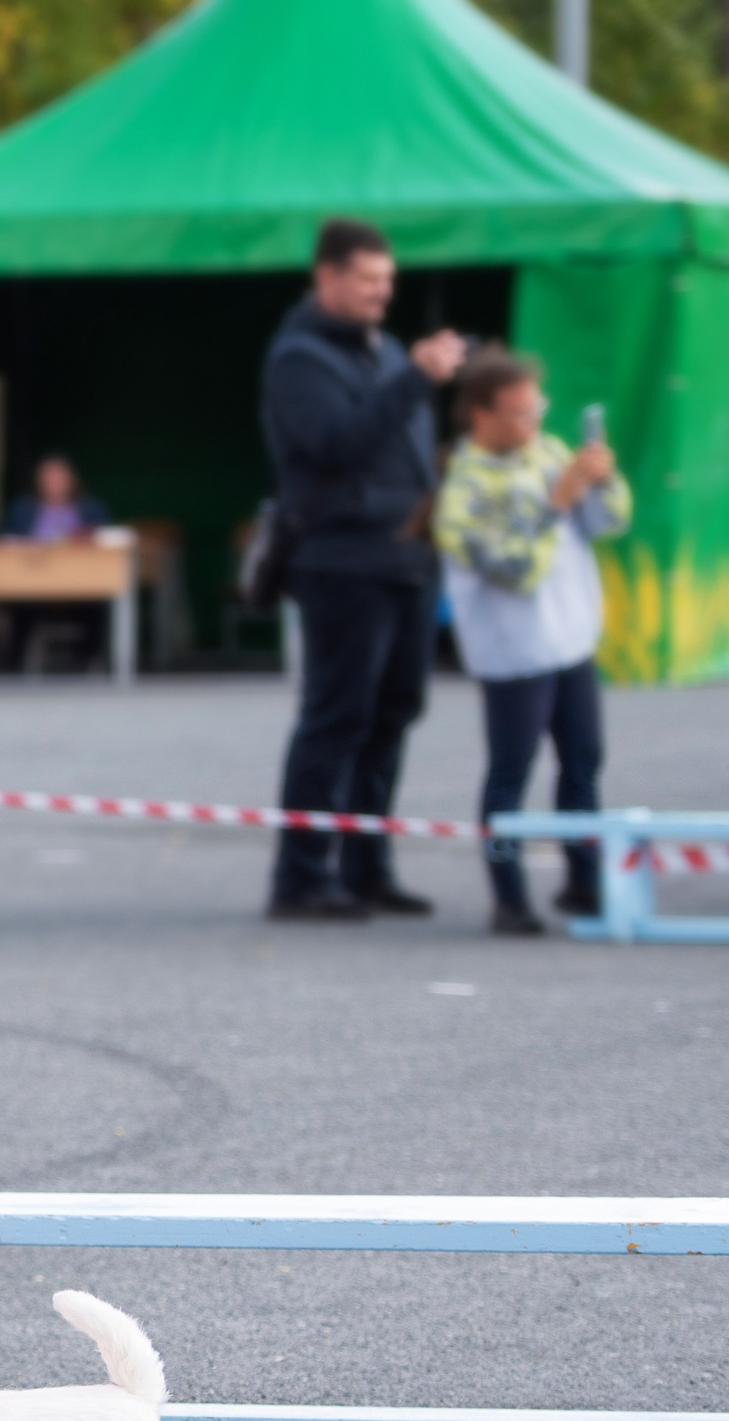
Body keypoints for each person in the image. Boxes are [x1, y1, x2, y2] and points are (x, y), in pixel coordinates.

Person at [261, 217, 466, 921]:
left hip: (407, 559)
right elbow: (338, 443)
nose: (383, 293)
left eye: (389, 281)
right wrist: (415, 378)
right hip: (341, 562)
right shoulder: (299, 359)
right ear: (329, 277)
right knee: (336, 717)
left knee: (393, 715)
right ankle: (301, 875)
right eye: (370, 279)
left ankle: (367, 864)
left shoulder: (380, 352)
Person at [434, 350, 629, 935]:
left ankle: (584, 880)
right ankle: (508, 896)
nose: (532, 423)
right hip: (513, 652)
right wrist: (556, 503)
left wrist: (602, 480)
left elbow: (607, 524)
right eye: (518, 413)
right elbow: (513, 567)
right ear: (479, 415)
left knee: (584, 763)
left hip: (572, 637)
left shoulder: (547, 452)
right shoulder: (463, 488)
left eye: (536, 409)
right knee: (510, 772)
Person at [3, 453, 108, 542]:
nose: (54, 482)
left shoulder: (91, 508)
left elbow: (104, 540)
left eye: (59, 476)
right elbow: (8, 541)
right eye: (48, 476)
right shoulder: (23, 508)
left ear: (72, 479)